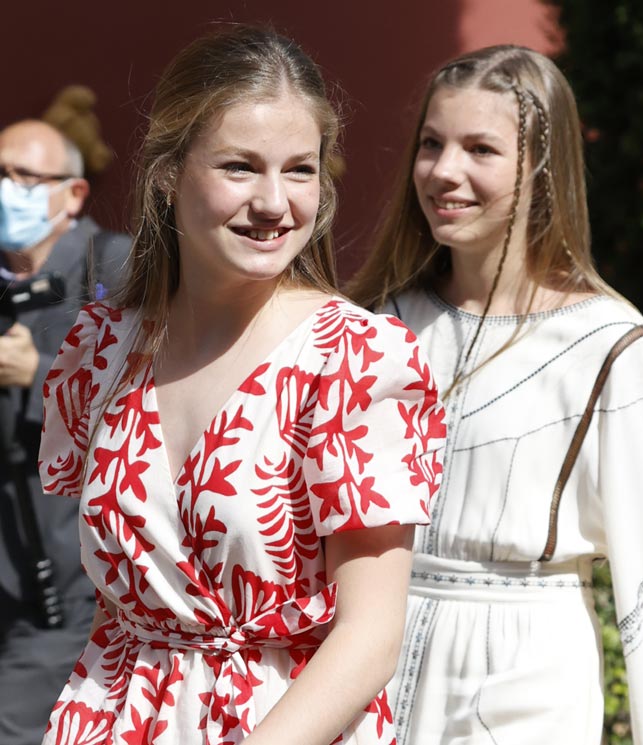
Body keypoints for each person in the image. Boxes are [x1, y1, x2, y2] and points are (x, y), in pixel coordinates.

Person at [38, 25, 446, 745]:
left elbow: (370, 638)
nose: (274, 202)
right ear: (167, 173)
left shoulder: (352, 359)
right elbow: (117, 604)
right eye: (239, 167)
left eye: (299, 170)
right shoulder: (103, 348)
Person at [347, 44, 643, 744]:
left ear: (541, 168)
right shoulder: (374, 323)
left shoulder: (609, 345)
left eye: (480, 149)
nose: (445, 171)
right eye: (432, 144)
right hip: (365, 658)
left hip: (523, 667)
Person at [0, 119, 130, 745]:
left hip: (73, 580)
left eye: (24, 177)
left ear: (73, 193)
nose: (7, 189)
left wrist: (40, 373)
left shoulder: (120, 268)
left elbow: (160, 391)